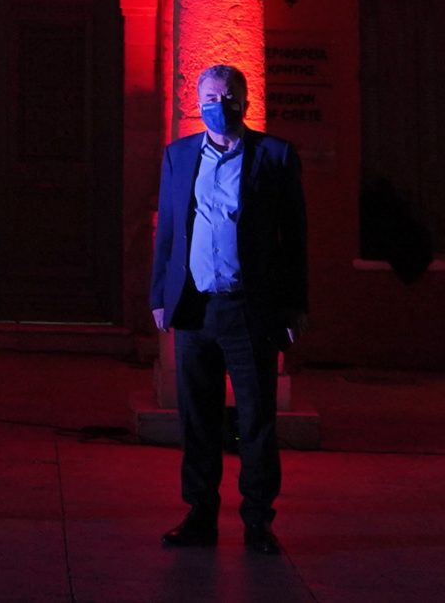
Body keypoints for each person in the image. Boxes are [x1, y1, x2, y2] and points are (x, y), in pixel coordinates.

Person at [149, 63, 308, 555]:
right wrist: (159, 295)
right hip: (194, 307)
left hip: (250, 310)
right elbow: (168, 229)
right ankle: (200, 515)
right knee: (198, 418)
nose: (219, 106)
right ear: (198, 103)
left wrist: (293, 306)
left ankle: (258, 522)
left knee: (255, 420)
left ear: (245, 101)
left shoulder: (275, 156)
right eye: (210, 98)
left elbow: (294, 238)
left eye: (228, 97)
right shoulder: (178, 156)